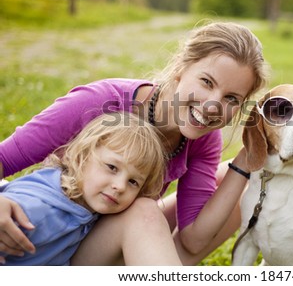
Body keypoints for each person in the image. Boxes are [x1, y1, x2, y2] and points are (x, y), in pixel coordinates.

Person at [0, 21, 270, 265]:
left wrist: (247, 157)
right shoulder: (101, 101)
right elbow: (5, 158)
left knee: (237, 182)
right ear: (181, 68)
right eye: (206, 82)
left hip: (103, 241)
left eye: (231, 99)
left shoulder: (204, 138)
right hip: (56, 233)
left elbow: (193, 239)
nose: (213, 106)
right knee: (144, 210)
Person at [0, 112, 174, 265]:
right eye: (112, 167)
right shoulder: (40, 213)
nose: (120, 186)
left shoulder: (85, 205)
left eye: (133, 182)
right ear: (80, 157)